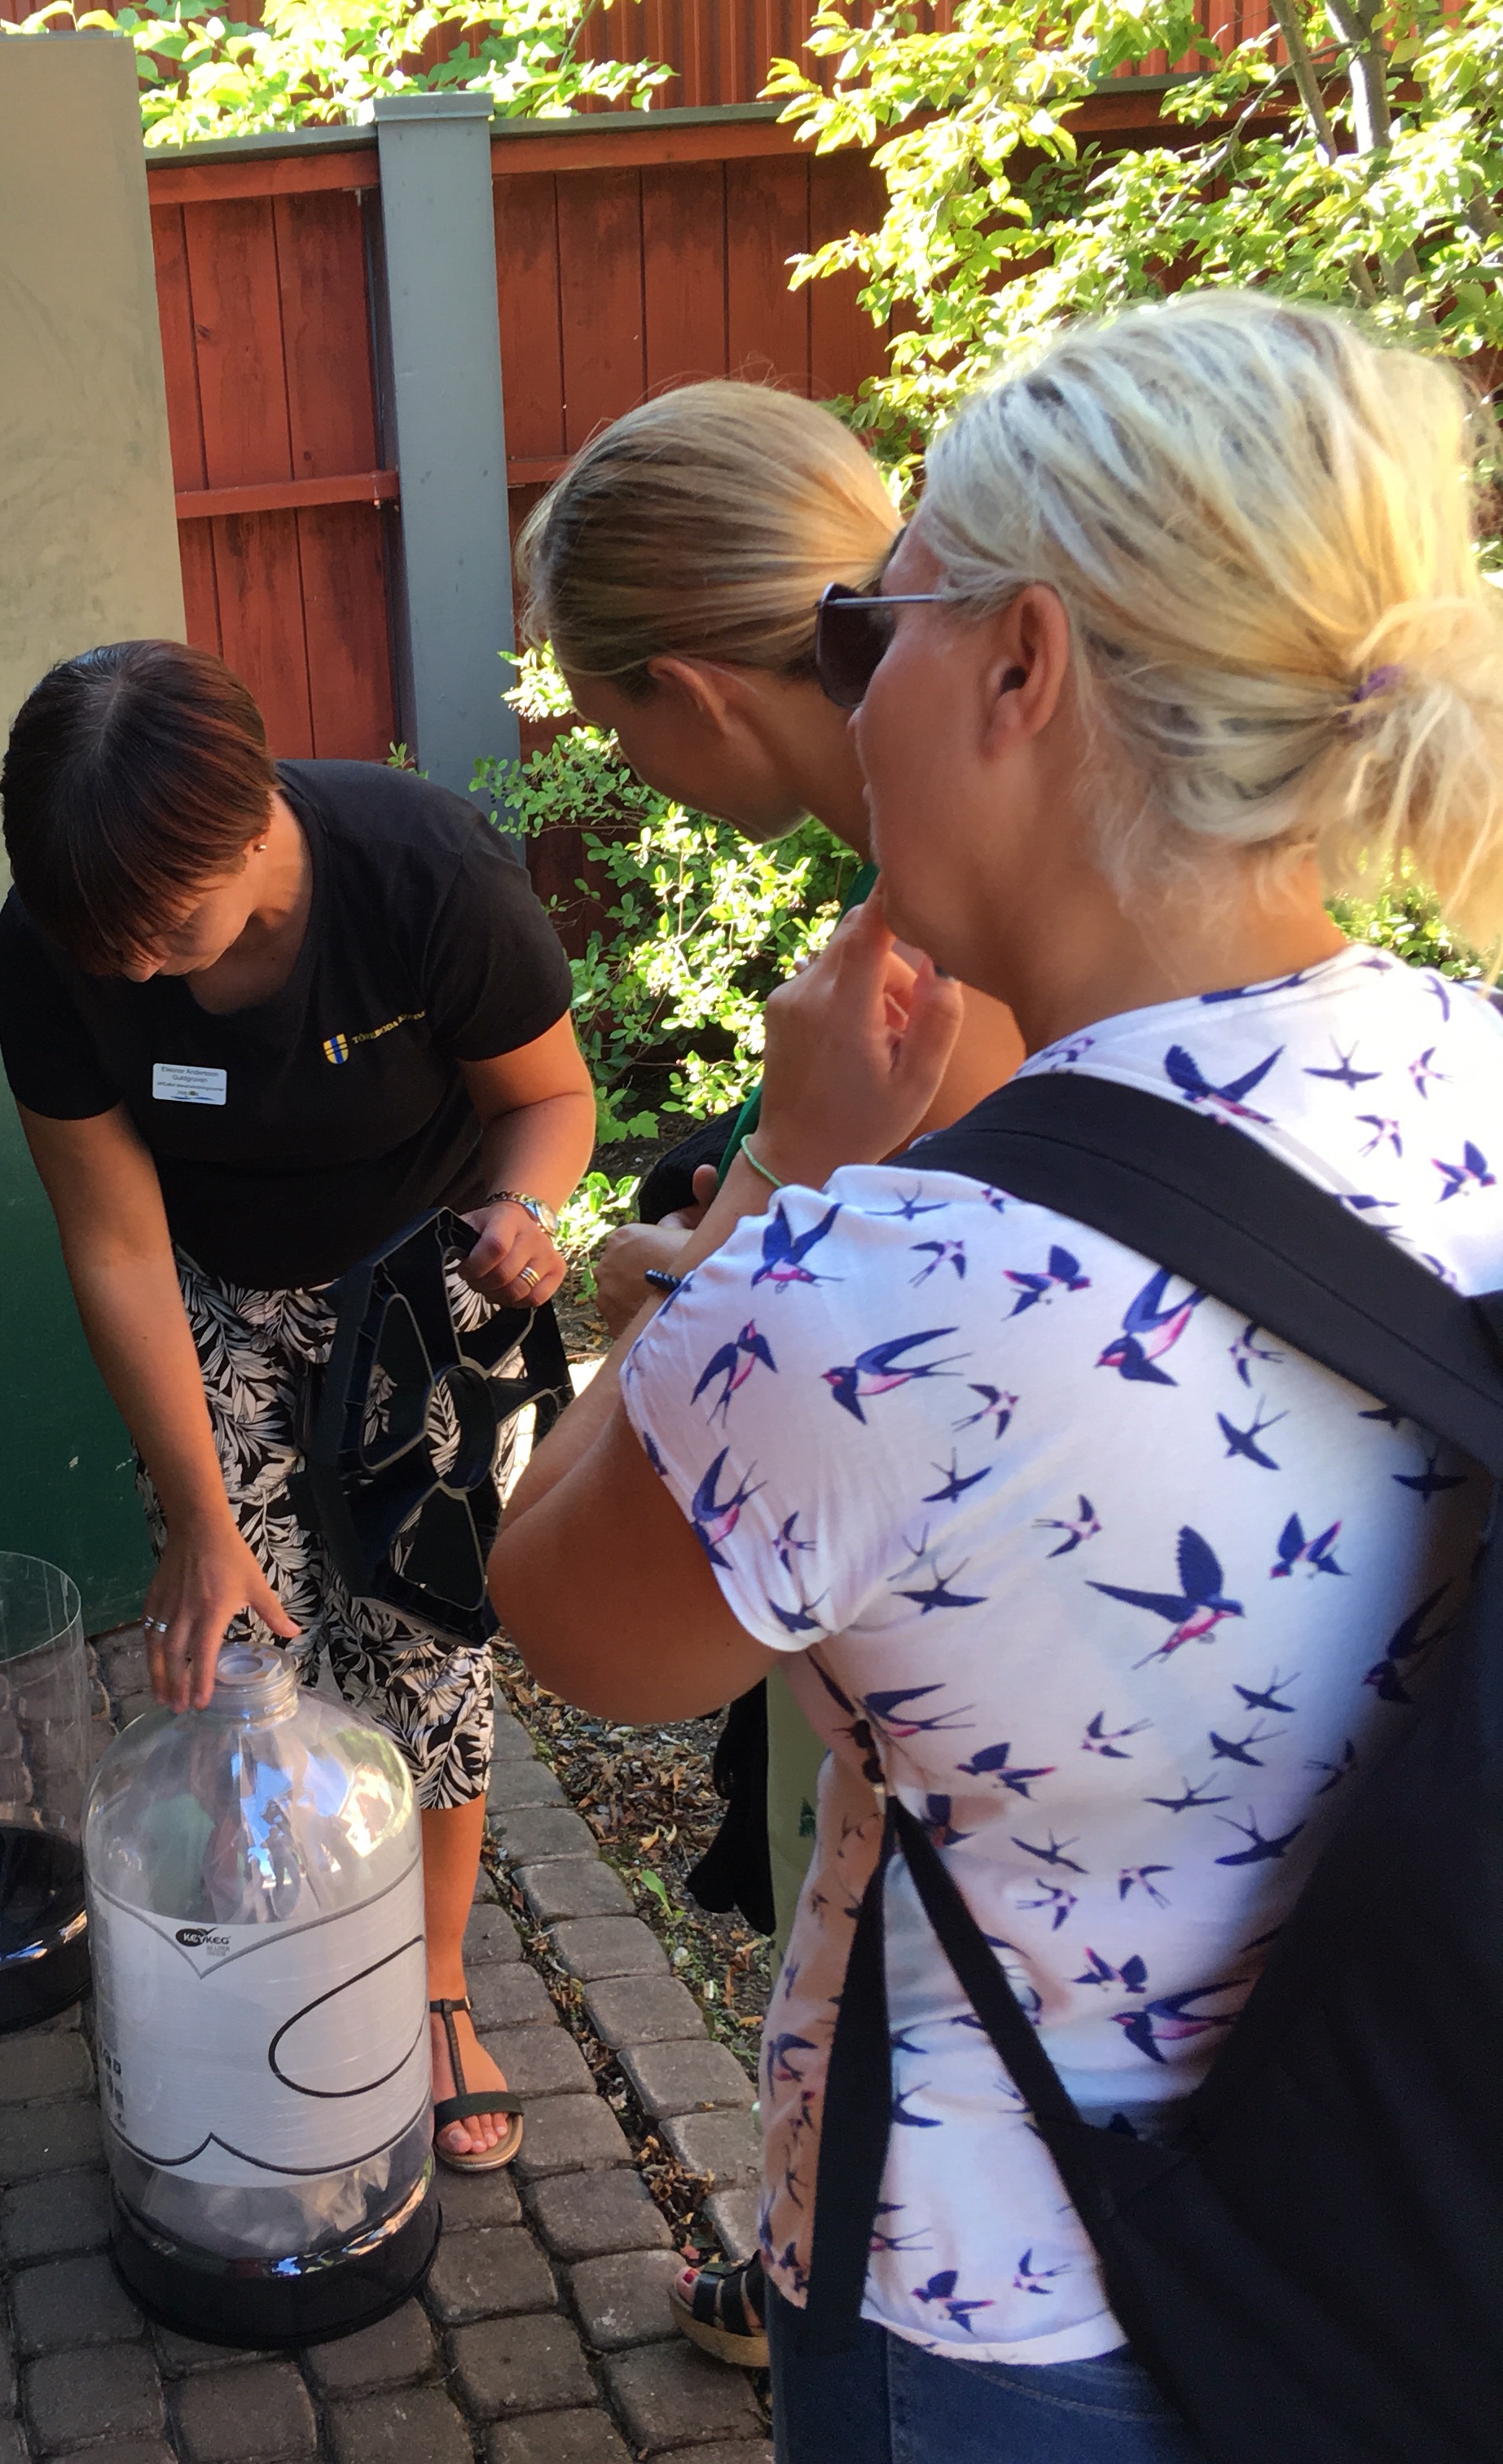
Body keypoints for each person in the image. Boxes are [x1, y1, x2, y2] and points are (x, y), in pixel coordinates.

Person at [489, 292, 1503, 2460]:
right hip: (1406, 2240)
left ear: (1022, 665)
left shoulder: (888, 1286)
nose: (859, 701)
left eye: (888, 630)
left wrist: (785, 1180)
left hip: (1009, 2313)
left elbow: (565, 1617)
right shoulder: (1476, 1077)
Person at [514, 381, 1029, 2290]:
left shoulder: (929, 978)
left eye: (612, 726)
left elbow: (572, 1609)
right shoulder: (998, 902)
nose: (631, 767)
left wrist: (725, 1244)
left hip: (947, 1880)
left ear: (691, 694)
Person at [0, 639, 595, 2169]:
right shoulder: (56, 948)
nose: (134, 974)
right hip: (209, 1292)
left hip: (422, 1279)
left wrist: (527, 1213)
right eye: (101, 946)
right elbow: (115, 1241)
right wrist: (200, 1518)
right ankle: (275, 1951)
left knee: (422, 1647)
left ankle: (434, 1985)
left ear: (254, 824)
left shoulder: (423, 874)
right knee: (244, 1644)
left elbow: (549, 1097)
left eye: (160, 933)